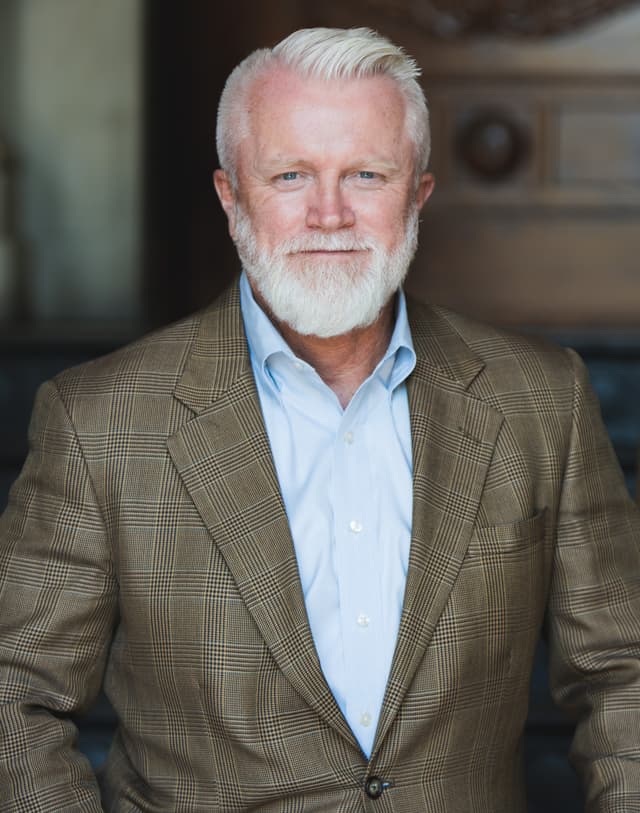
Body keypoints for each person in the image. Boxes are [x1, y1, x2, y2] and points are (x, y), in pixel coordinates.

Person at [1, 26, 639, 813]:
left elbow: (624, 670)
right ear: (231, 195)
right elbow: (15, 691)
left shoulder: (541, 399)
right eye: (290, 175)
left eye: (366, 174)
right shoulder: (100, 420)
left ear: (417, 194)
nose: (329, 214)